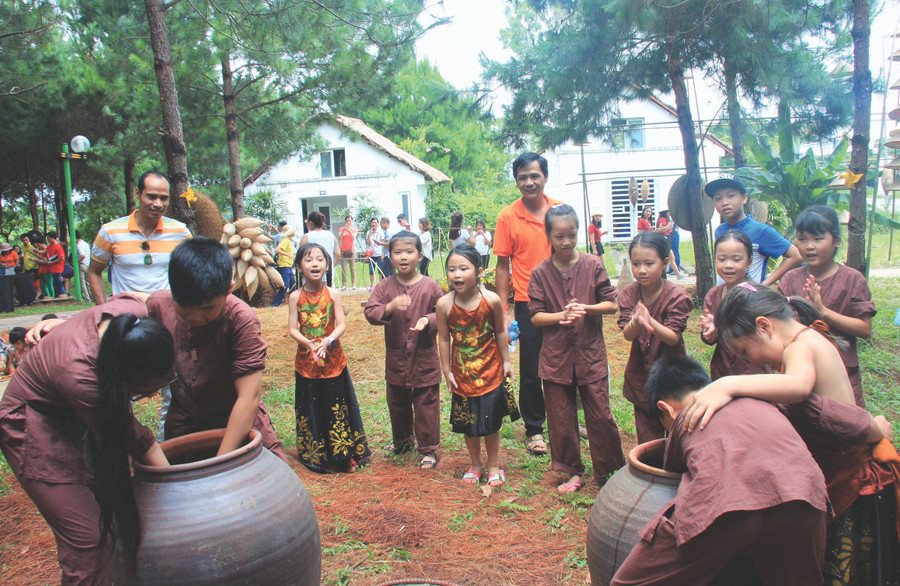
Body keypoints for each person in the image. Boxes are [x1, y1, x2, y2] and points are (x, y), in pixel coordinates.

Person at [685, 283, 900, 585]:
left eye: (747, 351)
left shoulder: (801, 344)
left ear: (764, 326)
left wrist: (727, 384)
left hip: (855, 480)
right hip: (842, 468)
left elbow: (797, 387)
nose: (754, 362)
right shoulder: (805, 338)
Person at [611, 356, 830, 586]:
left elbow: (671, 474)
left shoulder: (686, 419)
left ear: (666, 408)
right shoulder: (760, 399)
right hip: (806, 496)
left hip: (728, 505)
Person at [0, 300, 175, 583]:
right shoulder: (81, 375)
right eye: (144, 390)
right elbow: (137, 441)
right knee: (88, 540)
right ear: (120, 377)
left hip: (75, 411)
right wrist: (180, 489)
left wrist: (66, 322)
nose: (152, 396)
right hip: (34, 425)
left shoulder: (133, 314)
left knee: (111, 511)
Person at [146, 237, 286, 460]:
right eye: (184, 308)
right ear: (172, 290)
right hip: (185, 422)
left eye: (206, 309)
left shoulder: (241, 319)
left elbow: (248, 397)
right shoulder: (156, 306)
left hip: (238, 420)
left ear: (228, 289)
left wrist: (219, 464)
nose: (194, 317)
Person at [528, 205, 623, 492]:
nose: (566, 241)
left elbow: (612, 304)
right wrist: (560, 316)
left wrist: (587, 308)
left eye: (571, 234)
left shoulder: (593, 264)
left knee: (601, 415)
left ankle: (611, 472)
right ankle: (572, 471)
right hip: (556, 358)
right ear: (549, 236)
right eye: (559, 236)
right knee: (560, 417)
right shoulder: (541, 272)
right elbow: (535, 315)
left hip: (590, 354)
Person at [493, 152, 561, 456]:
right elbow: (502, 265)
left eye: (534, 175)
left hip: (562, 302)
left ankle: (565, 420)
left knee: (565, 363)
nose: (529, 182)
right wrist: (504, 310)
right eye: (523, 177)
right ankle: (534, 429)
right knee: (532, 368)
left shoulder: (561, 210)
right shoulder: (508, 216)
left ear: (545, 177)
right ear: (516, 180)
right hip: (528, 303)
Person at [437, 244, 518, 487]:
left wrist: (506, 361)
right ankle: (476, 464)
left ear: (479, 271)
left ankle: (493, 465)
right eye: (451, 269)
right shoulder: (444, 304)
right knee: (468, 424)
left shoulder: (491, 300)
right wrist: (447, 371)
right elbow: (443, 339)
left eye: (464, 268)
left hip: (491, 370)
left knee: (492, 422)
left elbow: (500, 332)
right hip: (462, 374)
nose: (457, 275)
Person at [777, 205, 875, 408]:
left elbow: (865, 329)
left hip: (843, 370)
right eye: (803, 239)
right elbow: (779, 322)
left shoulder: (852, 279)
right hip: (800, 370)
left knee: (847, 424)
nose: (809, 246)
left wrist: (823, 313)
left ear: (836, 241)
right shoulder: (790, 279)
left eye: (818, 239)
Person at [364, 231, 443, 470]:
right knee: (396, 402)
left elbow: (444, 311)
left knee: (426, 403)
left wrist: (428, 320)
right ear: (389, 257)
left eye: (409, 252)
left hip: (424, 357)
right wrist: (390, 306)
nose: (403, 257)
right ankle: (402, 441)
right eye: (397, 252)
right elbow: (371, 312)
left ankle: (428, 449)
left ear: (420, 255)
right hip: (396, 357)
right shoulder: (385, 286)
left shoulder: (430, 285)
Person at [289, 242, 370, 473]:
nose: (315, 263)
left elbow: (341, 324)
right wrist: (309, 343)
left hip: (334, 360)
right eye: (308, 259)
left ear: (327, 265)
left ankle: (344, 454)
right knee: (312, 405)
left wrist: (327, 341)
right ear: (299, 267)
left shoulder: (333, 293)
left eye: (320, 259)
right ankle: (316, 455)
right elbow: (293, 329)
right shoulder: (295, 297)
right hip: (307, 362)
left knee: (337, 405)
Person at [617, 231, 692, 442]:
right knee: (647, 433)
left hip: (672, 374)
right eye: (636, 263)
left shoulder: (677, 297)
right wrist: (636, 322)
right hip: (641, 373)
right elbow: (627, 335)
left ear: (665, 262)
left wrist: (650, 322)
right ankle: (651, 470)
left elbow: (673, 338)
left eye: (649, 263)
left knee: (678, 430)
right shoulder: (629, 294)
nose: (641, 270)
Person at [88, 171, 191, 304]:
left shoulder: (180, 232)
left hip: (165, 316)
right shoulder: (110, 232)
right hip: (126, 317)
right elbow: (94, 272)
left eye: (164, 198)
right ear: (138, 193)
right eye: (151, 197)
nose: (158, 204)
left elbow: (193, 271)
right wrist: (104, 310)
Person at [705, 173, 801, 285]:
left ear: (744, 198)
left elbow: (795, 256)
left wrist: (764, 285)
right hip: (725, 298)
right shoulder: (720, 231)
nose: (724, 202)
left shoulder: (761, 231)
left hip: (750, 300)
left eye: (731, 196)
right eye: (718, 198)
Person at [700, 231, 771, 380]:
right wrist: (710, 332)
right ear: (714, 260)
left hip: (753, 372)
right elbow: (709, 338)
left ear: (749, 261)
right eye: (722, 259)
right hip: (722, 370)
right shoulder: (713, 295)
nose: (728, 266)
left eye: (737, 259)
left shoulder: (757, 294)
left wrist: (721, 326)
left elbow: (765, 336)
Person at [300, 211, 340, 282]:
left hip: (311, 275)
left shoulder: (307, 237)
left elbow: (300, 256)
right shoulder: (331, 235)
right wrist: (329, 267)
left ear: (311, 223)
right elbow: (337, 254)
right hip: (328, 275)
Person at [271, 225, 297, 307]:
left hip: (287, 265)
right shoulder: (285, 240)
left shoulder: (289, 241)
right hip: (284, 265)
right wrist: (288, 255)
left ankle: (295, 302)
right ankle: (276, 303)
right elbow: (277, 250)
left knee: (293, 285)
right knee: (285, 285)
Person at [35, 231, 66, 297]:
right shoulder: (50, 246)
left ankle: (62, 294)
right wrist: (36, 251)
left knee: (58, 282)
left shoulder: (58, 247)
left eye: (48, 238)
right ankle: (58, 295)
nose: (48, 240)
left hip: (57, 268)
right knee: (55, 282)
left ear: (52, 238)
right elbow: (44, 252)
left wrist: (52, 262)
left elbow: (61, 258)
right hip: (52, 268)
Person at [655, 210, 684, 279]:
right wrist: (671, 222)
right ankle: (677, 274)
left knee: (670, 258)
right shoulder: (663, 219)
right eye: (668, 212)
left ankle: (678, 273)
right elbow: (664, 229)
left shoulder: (664, 219)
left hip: (666, 239)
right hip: (664, 240)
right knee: (670, 258)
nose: (670, 214)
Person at [337, 215, 358, 290]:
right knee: (344, 268)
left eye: (349, 220)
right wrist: (343, 231)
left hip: (351, 250)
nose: (348, 222)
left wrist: (349, 231)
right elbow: (339, 238)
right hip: (343, 249)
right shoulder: (342, 229)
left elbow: (354, 237)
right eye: (347, 221)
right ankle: (344, 285)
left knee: (352, 268)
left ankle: (354, 284)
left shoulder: (354, 229)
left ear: (352, 221)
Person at [75, 230, 92, 301]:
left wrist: (77, 262)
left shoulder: (78, 245)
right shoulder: (85, 244)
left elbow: (83, 255)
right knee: (88, 282)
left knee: (82, 283)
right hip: (87, 264)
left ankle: (87, 298)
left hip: (82, 264)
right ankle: (92, 296)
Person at [365, 217, 380, 290]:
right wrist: (369, 235)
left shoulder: (380, 232)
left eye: (375, 222)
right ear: (371, 223)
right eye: (372, 222)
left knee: (380, 270)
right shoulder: (368, 232)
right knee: (371, 270)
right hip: (371, 254)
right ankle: (372, 285)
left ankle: (381, 285)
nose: (374, 224)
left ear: (377, 223)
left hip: (379, 254)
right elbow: (367, 243)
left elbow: (382, 243)